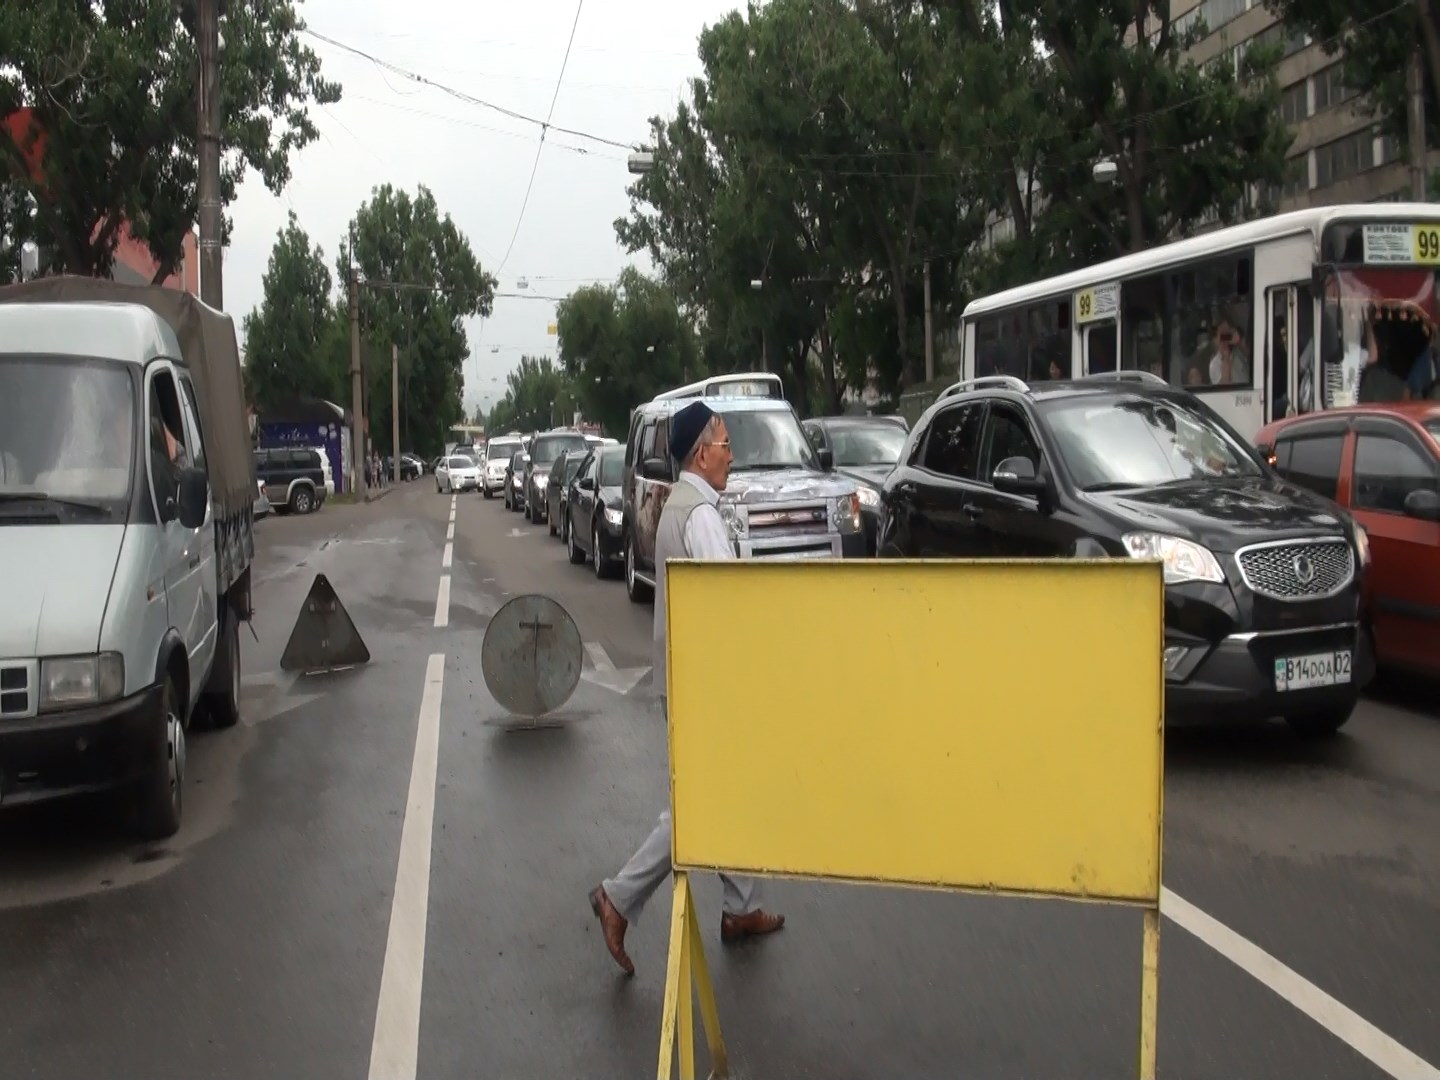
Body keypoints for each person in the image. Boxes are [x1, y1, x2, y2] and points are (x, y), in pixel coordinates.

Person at [588, 400, 785, 976]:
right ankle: (618, 897)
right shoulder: (700, 516)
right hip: (705, 683)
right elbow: (726, 605)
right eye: (725, 445)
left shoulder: (681, 504)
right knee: (694, 808)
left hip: (687, 674)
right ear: (701, 453)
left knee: (728, 791)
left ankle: (740, 907)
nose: (731, 456)